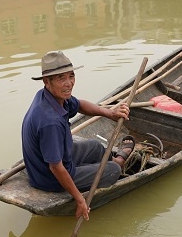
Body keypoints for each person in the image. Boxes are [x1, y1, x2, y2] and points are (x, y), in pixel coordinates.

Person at [21, 51, 136, 220]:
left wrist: (110, 113)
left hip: (52, 161)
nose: (69, 84)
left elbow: (80, 105)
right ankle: (118, 161)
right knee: (114, 170)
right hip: (48, 178)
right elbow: (56, 168)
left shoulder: (50, 96)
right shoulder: (50, 121)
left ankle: (98, 167)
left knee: (96, 147)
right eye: (61, 78)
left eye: (71, 76)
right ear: (47, 81)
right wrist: (80, 200)